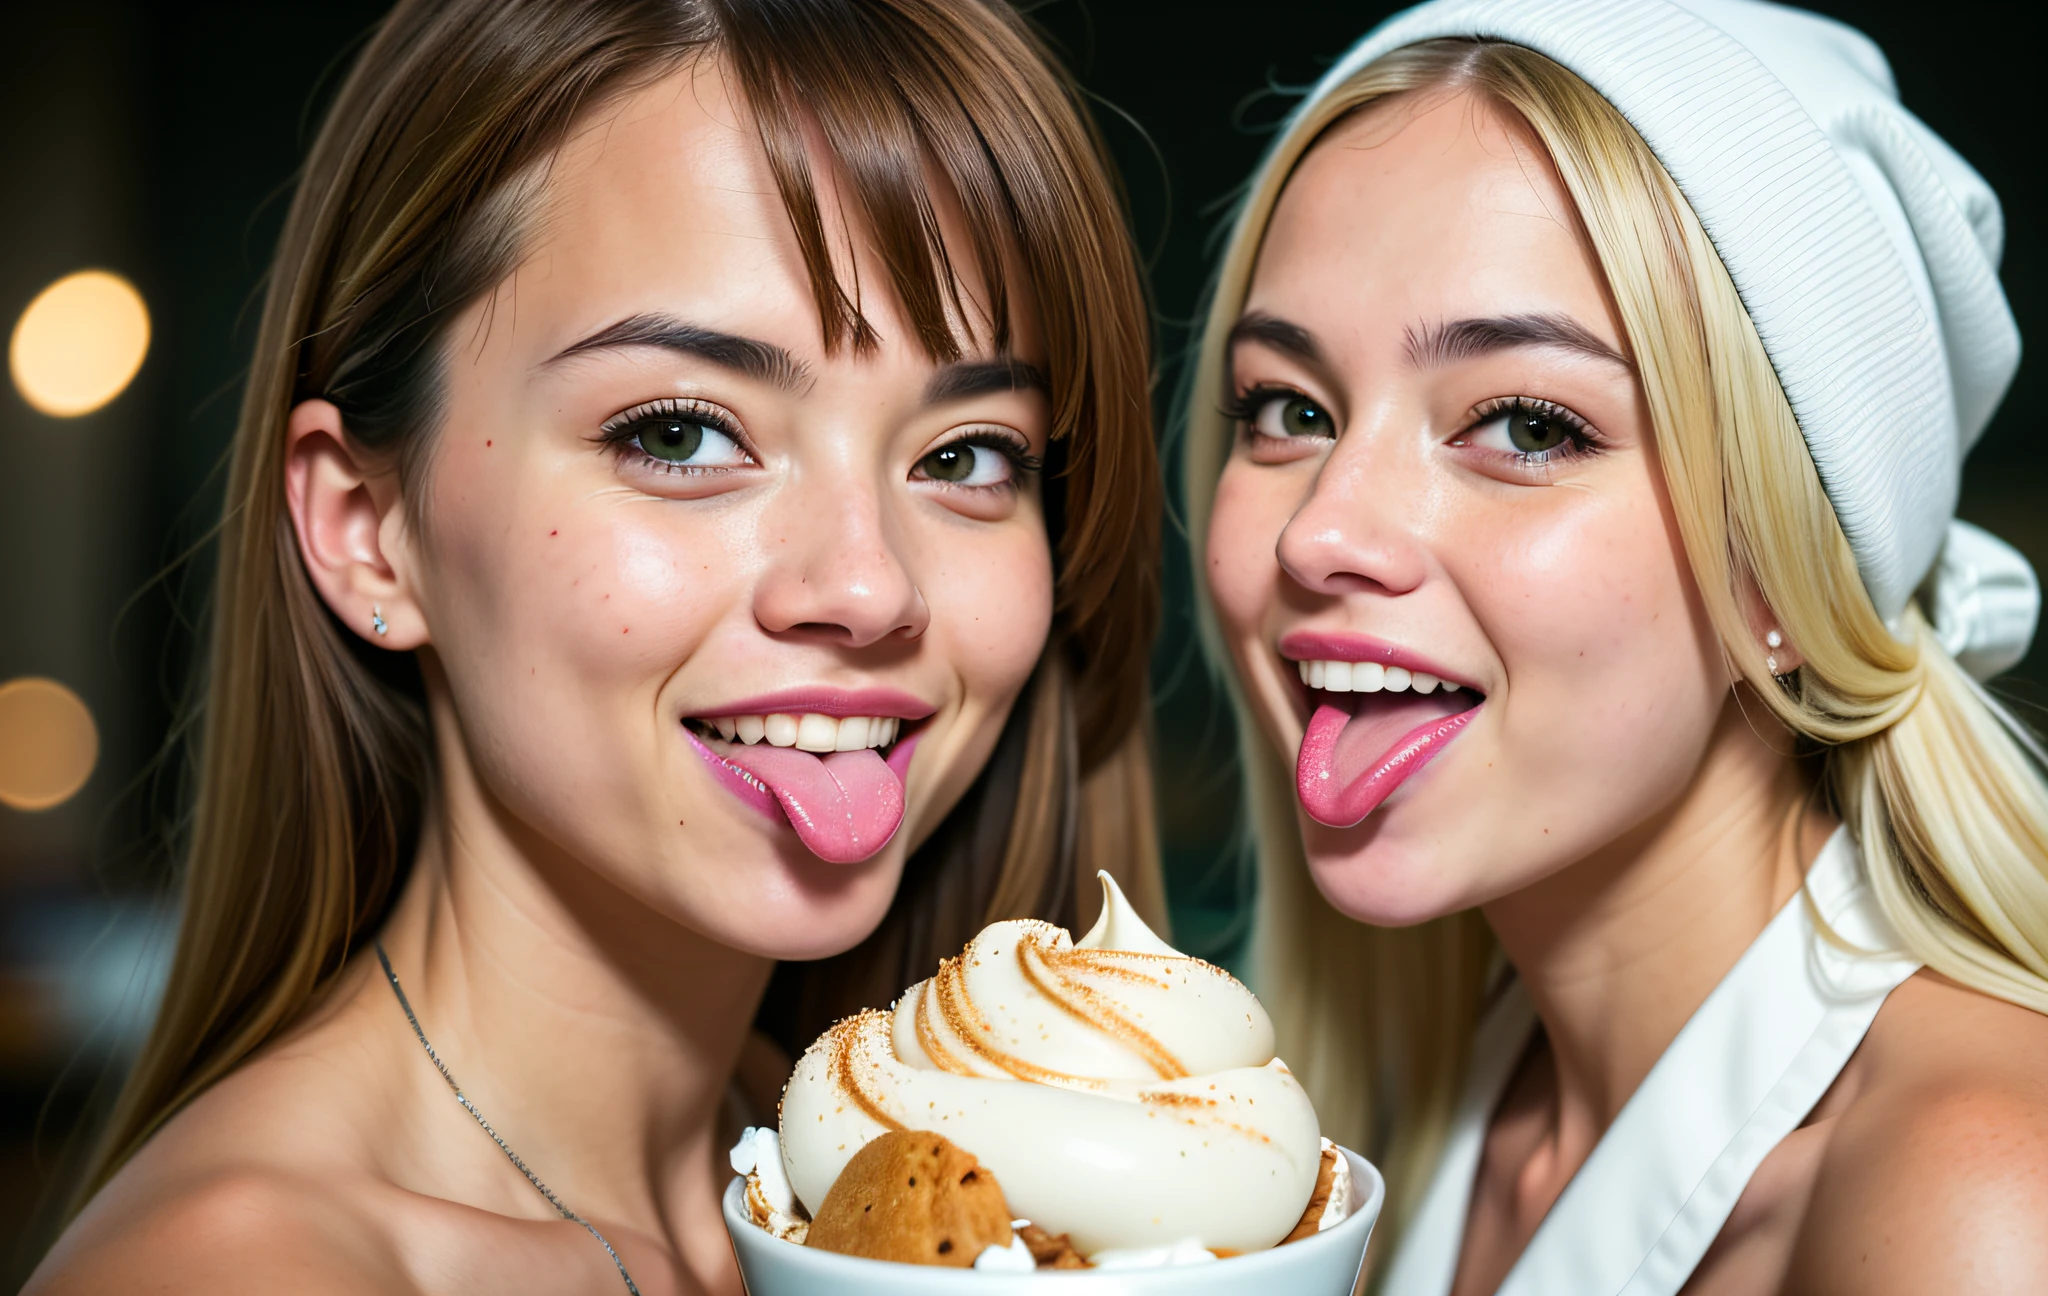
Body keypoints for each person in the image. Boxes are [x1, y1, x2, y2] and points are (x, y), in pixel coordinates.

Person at [28, 0, 1161, 1290]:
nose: (865, 583)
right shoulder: (249, 1272)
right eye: (681, 434)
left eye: (965, 456)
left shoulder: (922, 1206)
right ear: (367, 530)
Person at [1183, 0, 2048, 1291]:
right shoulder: (1414, 1122)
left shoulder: (1971, 1195)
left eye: (1526, 426)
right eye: (1289, 407)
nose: (1322, 532)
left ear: (1785, 565)